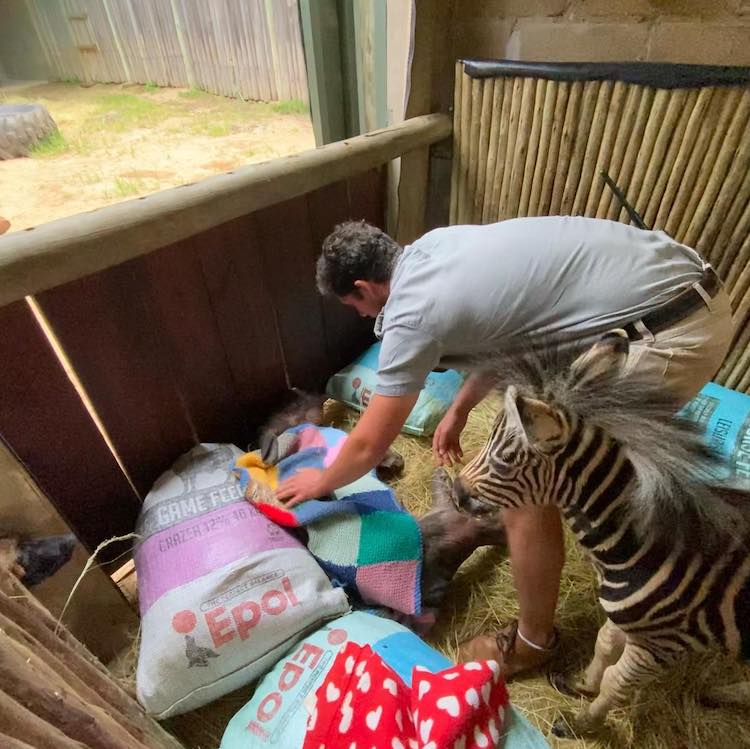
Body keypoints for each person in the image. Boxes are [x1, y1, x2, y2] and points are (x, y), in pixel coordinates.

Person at [275, 215, 734, 678]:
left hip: (667, 329)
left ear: (363, 286)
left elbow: (369, 444)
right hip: (684, 288)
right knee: (528, 447)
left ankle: (534, 643)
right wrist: (460, 408)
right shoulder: (434, 248)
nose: (360, 315)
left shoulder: (411, 312)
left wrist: (321, 480)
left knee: (528, 484)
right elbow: (517, 336)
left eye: (354, 303)